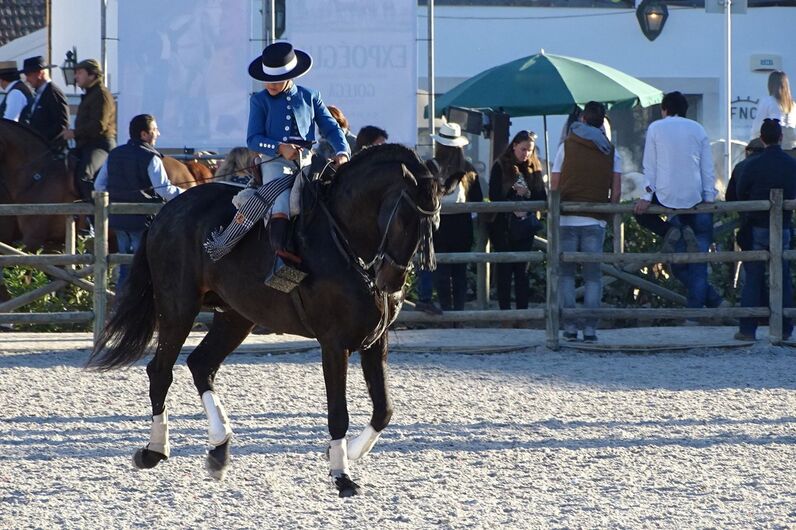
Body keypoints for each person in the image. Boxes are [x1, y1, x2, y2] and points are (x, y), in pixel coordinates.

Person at [246, 41, 350, 261]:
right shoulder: (259, 100)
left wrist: (342, 152)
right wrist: (278, 147)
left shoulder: (311, 96)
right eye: (267, 80)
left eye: (276, 81)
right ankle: (281, 257)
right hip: (273, 161)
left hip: (306, 162)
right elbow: (253, 139)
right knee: (281, 199)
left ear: (291, 76)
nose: (270, 85)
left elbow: (331, 127)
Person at [633, 91, 724, 312]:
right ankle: (701, 309)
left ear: (664, 109)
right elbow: (707, 168)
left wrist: (647, 197)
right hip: (697, 197)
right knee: (699, 260)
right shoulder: (698, 129)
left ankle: (671, 232)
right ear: (686, 110)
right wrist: (708, 198)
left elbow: (650, 167)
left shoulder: (656, 128)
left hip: (666, 196)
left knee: (677, 258)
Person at [550, 101, 621, 342]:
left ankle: (569, 327)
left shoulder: (566, 147)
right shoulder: (611, 151)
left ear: (582, 120)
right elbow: (617, 192)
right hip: (595, 220)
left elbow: (555, 185)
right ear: (603, 123)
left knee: (566, 275)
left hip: (568, 218)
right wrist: (607, 214)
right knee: (593, 277)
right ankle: (590, 329)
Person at [94, 114, 182, 294]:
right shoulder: (151, 158)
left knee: (126, 266)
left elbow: (99, 185)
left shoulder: (115, 154)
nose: (157, 133)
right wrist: (188, 194)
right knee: (143, 267)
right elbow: (164, 190)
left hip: (118, 220)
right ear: (144, 134)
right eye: (154, 130)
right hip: (142, 222)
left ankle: (120, 304)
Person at [735, 119, 796, 340]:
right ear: (781, 138)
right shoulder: (791, 164)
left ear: (762, 138)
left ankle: (747, 329)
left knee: (753, 276)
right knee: (784, 276)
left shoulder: (753, 164)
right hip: (785, 226)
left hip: (758, 225)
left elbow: (741, 192)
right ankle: (785, 327)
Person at [489, 130, 546, 312]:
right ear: (514, 146)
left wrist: (527, 193)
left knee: (522, 271)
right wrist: (512, 194)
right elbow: (493, 195)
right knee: (504, 271)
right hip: (503, 225)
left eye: (530, 150)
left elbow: (541, 196)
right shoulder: (500, 166)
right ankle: (504, 313)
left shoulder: (535, 168)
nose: (526, 154)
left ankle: (523, 312)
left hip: (524, 226)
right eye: (523, 149)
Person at [430, 123, 483, 311]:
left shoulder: (431, 166)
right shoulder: (468, 169)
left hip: (439, 224)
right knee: (460, 271)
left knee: (441, 271)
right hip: (463, 224)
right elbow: (477, 199)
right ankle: (459, 312)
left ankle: (446, 311)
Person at [58, 59, 117, 202]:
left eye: (79, 73)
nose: (75, 76)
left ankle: (94, 216)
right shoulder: (90, 94)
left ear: (92, 75)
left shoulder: (101, 94)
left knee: (85, 175)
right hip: (86, 145)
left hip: (101, 145)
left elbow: (99, 125)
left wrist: (74, 133)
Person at [19, 56, 69, 152]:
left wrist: (40, 139)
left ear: (40, 73)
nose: (27, 79)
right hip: (40, 150)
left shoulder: (53, 92)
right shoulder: (39, 93)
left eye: (28, 74)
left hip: (50, 151)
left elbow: (61, 124)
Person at [750, 71, 796, 155]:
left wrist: (752, 143)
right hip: (791, 149)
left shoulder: (768, 101)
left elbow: (757, 127)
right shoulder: (793, 105)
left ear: (770, 85)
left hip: (774, 148)